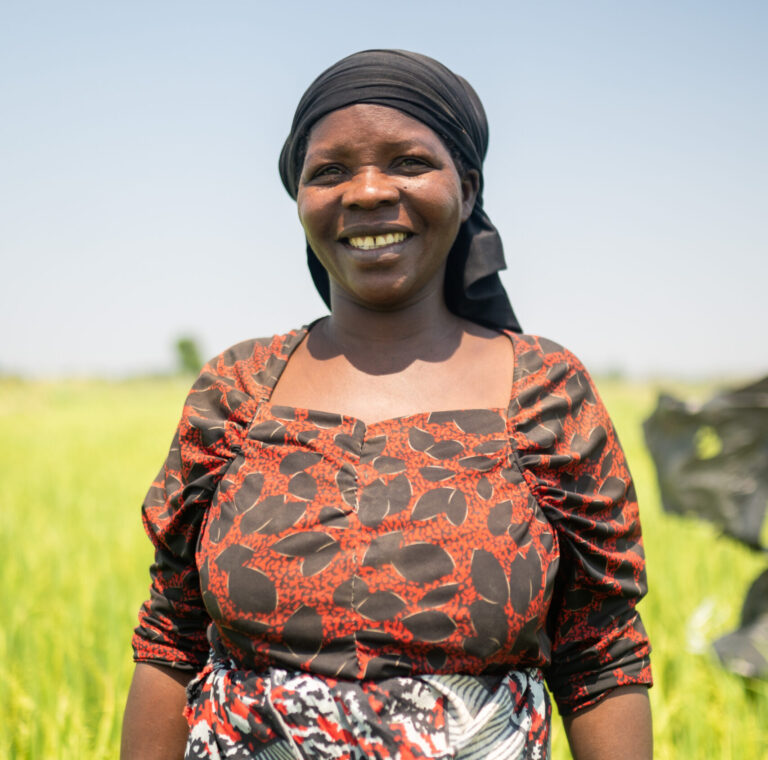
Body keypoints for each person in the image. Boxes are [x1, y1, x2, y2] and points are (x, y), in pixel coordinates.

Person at [121, 49, 653, 760]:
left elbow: (600, 653)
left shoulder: (545, 392)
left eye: (407, 162)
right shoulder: (238, 391)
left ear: (465, 189)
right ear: (300, 199)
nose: (367, 191)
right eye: (330, 171)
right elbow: (171, 637)